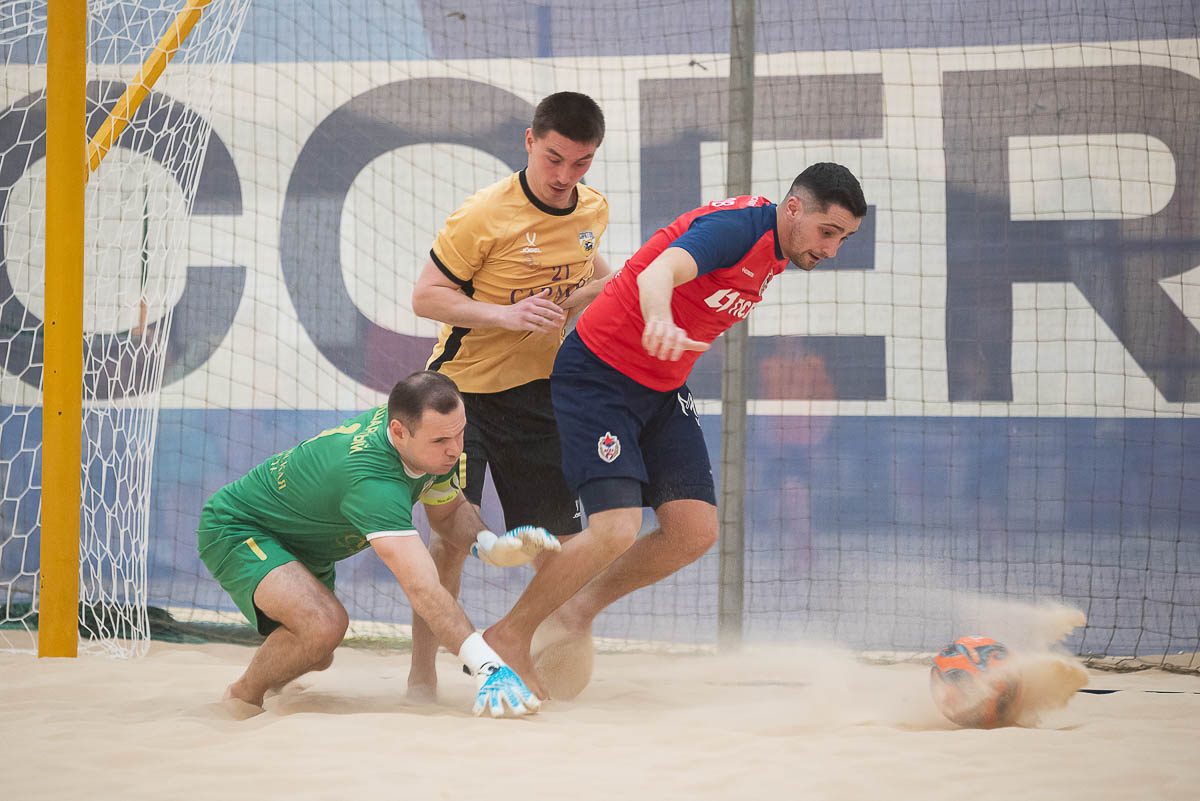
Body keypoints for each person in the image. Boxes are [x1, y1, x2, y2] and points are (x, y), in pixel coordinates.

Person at [483, 162, 869, 698]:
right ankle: (508, 634)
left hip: (661, 387)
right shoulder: (738, 229)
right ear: (794, 208)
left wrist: (615, 298)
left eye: (843, 239)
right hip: (599, 374)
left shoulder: (782, 248)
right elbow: (658, 272)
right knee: (616, 528)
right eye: (828, 232)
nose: (832, 249)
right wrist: (659, 317)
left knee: (694, 532)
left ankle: (575, 609)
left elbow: (646, 262)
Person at [196, 370, 561, 717]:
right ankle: (242, 695)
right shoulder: (373, 482)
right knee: (322, 626)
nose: (454, 450)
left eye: (460, 433)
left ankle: (274, 677)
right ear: (398, 432)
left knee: (318, 653)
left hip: (307, 546)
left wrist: (489, 546)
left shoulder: (428, 439)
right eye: (441, 441)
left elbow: (449, 513)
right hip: (241, 528)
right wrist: (486, 665)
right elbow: (422, 588)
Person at [406, 91, 611, 700]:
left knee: (562, 549)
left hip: (537, 396)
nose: (565, 175)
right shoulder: (483, 214)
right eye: (554, 158)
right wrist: (506, 314)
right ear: (529, 141)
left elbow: (600, 277)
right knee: (449, 543)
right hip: (461, 395)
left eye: (581, 163)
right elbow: (425, 297)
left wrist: (582, 302)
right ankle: (422, 674)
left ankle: (537, 657)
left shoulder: (592, 210)